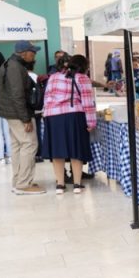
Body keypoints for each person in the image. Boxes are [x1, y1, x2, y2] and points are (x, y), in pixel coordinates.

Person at [41, 55, 96, 195]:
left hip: (53, 117)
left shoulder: (53, 77)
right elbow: (88, 103)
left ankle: (60, 185)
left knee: (57, 152)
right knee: (76, 150)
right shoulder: (82, 78)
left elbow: (46, 98)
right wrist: (91, 122)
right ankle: (77, 184)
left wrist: (46, 115)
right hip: (74, 116)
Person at [0, 41, 45, 195]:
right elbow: (17, 95)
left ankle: (18, 181)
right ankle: (24, 184)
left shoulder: (9, 64)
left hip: (11, 112)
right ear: (24, 52)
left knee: (18, 146)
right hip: (18, 113)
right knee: (29, 144)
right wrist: (25, 118)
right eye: (33, 52)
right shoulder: (15, 67)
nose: (34, 55)